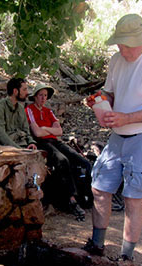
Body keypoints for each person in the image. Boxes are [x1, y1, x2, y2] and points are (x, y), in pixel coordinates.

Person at [84, 14, 142, 261]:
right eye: (119, 44)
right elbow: (111, 94)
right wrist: (101, 104)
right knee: (99, 187)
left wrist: (127, 118)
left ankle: (126, 257)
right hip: (118, 135)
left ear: (140, 41)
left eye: (125, 45)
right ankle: (97, 244)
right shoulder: (116, 60)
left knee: (133, 197)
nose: (121, 49)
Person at [25, 83, 91, 220]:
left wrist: (46, 128)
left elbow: (59, 131)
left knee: (83, 162)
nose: (43, 98)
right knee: (62, 161)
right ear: (35, 97)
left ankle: (87, 197)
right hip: (42, 143)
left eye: (45, 95)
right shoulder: (29, 110)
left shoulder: (49, 111)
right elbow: (37, 133)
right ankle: (72, 199)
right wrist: (48, 129)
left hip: (56, 141)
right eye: (40, 95)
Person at [0, 78, 37, 150]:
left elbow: (26, 130)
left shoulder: (20, 108)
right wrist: (19, 149)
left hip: (22, 145)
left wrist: (31, 142)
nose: (27, 92)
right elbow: (0, 134)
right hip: (5, 147)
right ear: (15, 91)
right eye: (24, 90)